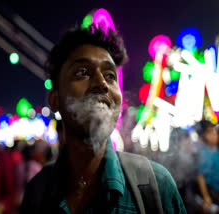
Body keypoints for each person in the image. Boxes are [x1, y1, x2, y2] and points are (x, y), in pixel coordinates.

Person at [20, 25, 186, 214]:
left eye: (110, 75)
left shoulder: (156, 185)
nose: (102, 84)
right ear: (55, 100)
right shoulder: (38, 191)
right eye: (82, 72)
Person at [195, 120, 219, 213]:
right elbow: (200, 176)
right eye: (210, 132)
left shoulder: (215, 150)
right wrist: (206, 197)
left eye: (214, 131)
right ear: (202, 136)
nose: (214, 134)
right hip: (212, 192)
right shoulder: (204, 153)